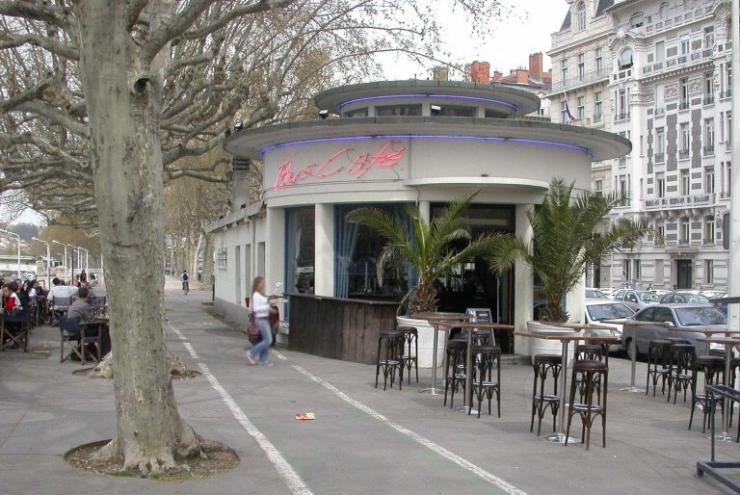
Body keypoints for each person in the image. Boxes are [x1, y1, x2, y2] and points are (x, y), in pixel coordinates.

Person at [246, 276, 274, 366]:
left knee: (265, 339)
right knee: (268, 340)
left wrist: (270, 303)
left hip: (265, 319)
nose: (264, 285)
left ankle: (263, 360)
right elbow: (256, 309)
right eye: (262, 283)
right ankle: (251, 353)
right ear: (257, 284)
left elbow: (265, 303)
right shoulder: (256, 295)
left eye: (264, 283)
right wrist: (268, 305)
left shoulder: (261, 294)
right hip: (261, 319)